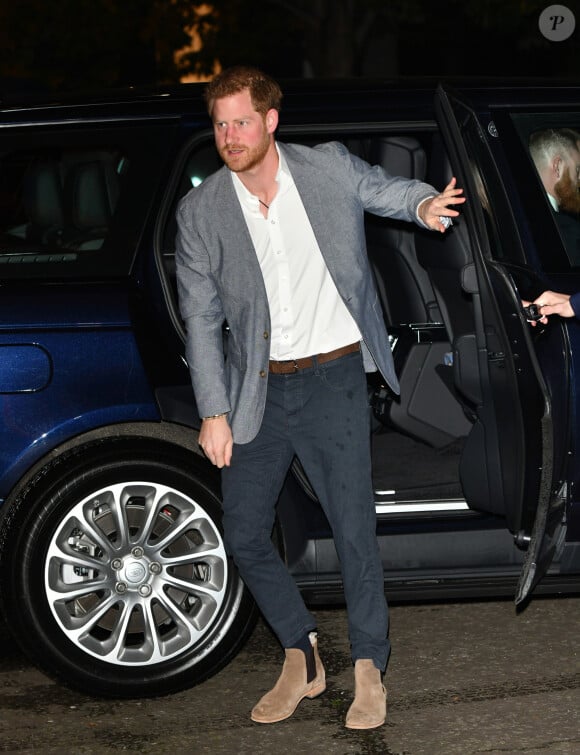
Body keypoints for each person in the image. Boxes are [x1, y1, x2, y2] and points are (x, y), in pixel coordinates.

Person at [175, 66, 465, 730]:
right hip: (260, 389)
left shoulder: (326, 168)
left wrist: (423, 203)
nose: (230, 135)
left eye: (242, 121)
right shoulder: (202, 212)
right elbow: (200, 317)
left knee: (353, 525)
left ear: (271, 120)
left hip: (335, 376)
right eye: (220, 124)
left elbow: (384, 189)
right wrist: (214, 410)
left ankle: (367, 663)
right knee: (244, 532)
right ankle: (301, 650)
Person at [529, 128, 580, 262]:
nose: (579, 180)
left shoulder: (521, 214)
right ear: (557, 167)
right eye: (577, 170)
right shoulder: (565, 231)